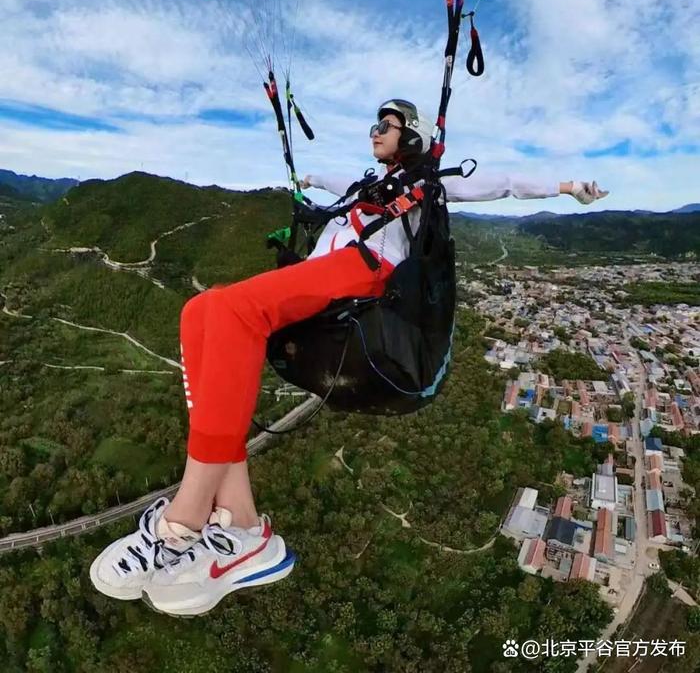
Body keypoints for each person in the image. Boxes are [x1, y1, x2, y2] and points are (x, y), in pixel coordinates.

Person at [90, 98, 608, 616]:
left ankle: (183, 519)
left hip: (366, 271)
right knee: (200, 312)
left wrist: (567, 187)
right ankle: (241, 521)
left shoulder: (426, 183)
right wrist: (311, 176)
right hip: (328, 271)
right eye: (374, 124)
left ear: (413, 136)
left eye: (386, 125)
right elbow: (342, 184)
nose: (375, 132)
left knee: (232, 312)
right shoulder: (371, 184)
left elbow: (502, 182)